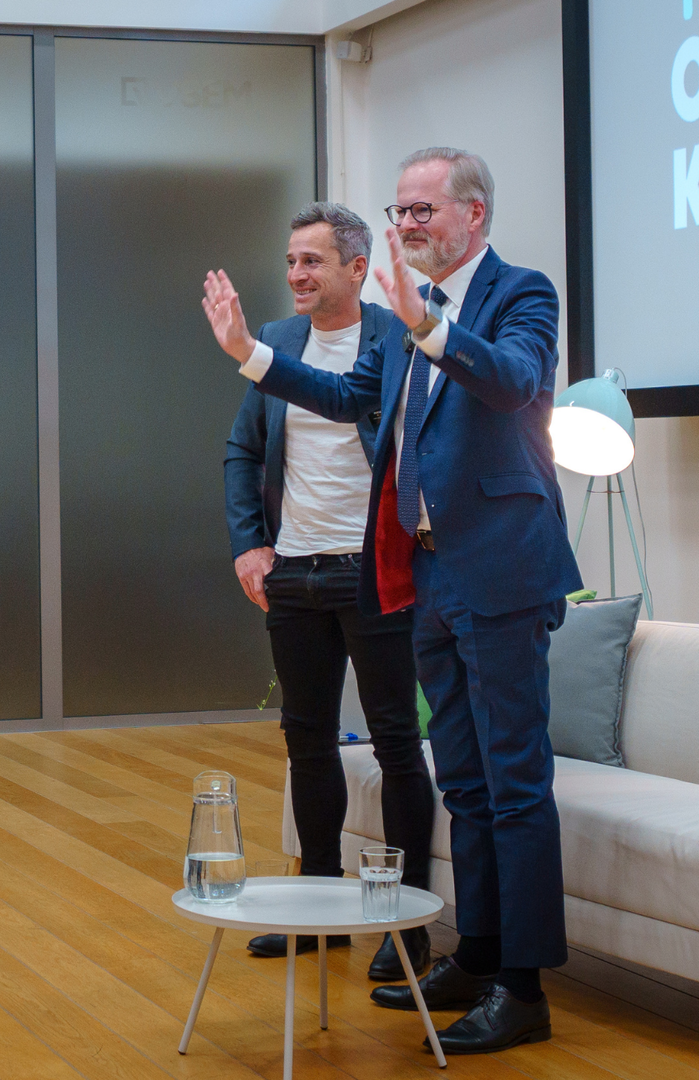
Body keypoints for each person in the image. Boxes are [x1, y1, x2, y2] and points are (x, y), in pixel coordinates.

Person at [204, 149, 583, 1055]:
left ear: (473, 214)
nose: (407, 225)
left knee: (514, 784)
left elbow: (515, 382)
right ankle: (477, 952)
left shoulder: (519, 294)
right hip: (431, 578)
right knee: (465, 780)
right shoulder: (416, 315)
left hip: (502, 573)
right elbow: (346, 397)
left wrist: (428, 326)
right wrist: (251, 355)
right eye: (399, 211)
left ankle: (523, 987)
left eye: (423, 210)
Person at [224, 201, 434, 981]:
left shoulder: (392, 337)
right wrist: (250, 545)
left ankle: (405, 924)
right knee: (306, 742)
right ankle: (317, 911)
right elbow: (243, 452)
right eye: (290, 261)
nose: (295, 275)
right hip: (295, 574)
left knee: (395, 743)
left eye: (311, 261)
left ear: (357, 267)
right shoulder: (278, 340)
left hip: (371, 570)